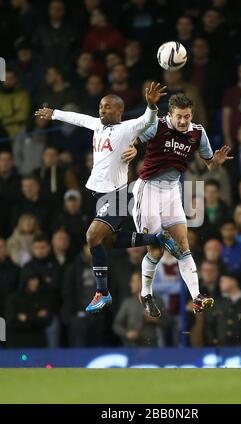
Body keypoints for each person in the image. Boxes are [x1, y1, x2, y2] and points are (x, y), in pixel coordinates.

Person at [35, 82, 181, 313]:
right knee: (108, 241)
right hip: (98, 194)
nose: (101, 110)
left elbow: (147, 121)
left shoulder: (127, 128)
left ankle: (102, 292)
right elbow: (79, 118)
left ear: (119, 111)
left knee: (92, 236)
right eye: (101, 106)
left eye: (107, 107)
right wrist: (54, 114)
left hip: (117, 194)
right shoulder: (97, 125)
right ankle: (156, 239)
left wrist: (151, 105)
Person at [131, 93, 233, 317]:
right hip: (147, 190)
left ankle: (196, 296)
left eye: (187, 116)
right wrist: (130, 149)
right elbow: (133, 139)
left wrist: (215, 163)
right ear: (170, 115)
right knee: (156, 250)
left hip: (172, 191)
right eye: (179, 117)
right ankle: (146, 293)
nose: (183, 121)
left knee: (183, 246)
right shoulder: (155, 126)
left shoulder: (197, 133)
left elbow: (209, 165)